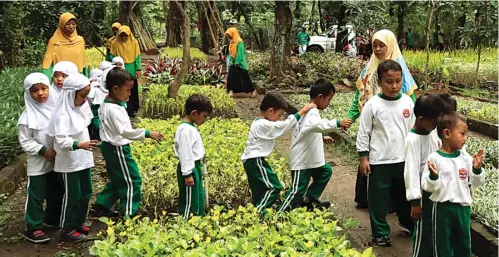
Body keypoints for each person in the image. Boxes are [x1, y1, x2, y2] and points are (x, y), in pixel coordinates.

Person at [347, 29, 418, 209]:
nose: (378, 49)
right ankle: (368, 199)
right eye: (375, 46)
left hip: (395, 128)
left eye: (382, 45)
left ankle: (393, 204)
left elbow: (412, 101)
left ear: (391, 45)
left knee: (393, 166)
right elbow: (359, 97)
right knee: (371, 161)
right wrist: (350, 117)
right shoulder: (369, 68)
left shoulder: (398, 70)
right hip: (373, 122)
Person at [90, 67, 163, 218]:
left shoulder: (108, 104)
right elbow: (125, 131)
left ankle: (101, 205)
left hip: (110, 147)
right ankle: (129, 215)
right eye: (127, 90)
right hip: (118, 149)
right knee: (132, 181)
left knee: (118, 179)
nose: (130, 94)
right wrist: (148, 133)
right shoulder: (113, 109)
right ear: (115, 89)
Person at [356, 60, 415, 246]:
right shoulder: (372, 105)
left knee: (404, 197)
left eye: (398, 81)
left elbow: (414, 130)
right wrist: (363, 158)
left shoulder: (407, 102)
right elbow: (364, 132)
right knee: (378, 199)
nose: (394, 85)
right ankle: (380, 232)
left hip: (404, 159)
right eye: (389, 82)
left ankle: (408, 223)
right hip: (379, 161)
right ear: (379, 83)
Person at [279, 79, 352, 212]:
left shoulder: (310, 110)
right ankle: (279, 215)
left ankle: (309, 200)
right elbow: (315, 125)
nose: (328, 104)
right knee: (296, 191)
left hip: (311, 159)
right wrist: (337, 123)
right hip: (302, 160)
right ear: (320, 97)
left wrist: (321, 138)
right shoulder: (312, 111)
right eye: (329, 100)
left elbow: (306, 129)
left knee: (325, 172)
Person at [422, 112, 485, 257]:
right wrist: (433, 176)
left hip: (463, 209)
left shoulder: (466, 158)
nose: (465, 138)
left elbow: (476, 183)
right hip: (442, 209)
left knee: (463, 245)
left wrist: (476, 169)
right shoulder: (435, 158)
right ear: (447, 133)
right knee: (443, 245)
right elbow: (428, 186)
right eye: (462, 134)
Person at [241, 92, 316, 214]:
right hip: (256, 160)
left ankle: (258, 211)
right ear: (271, 111)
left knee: (260, 190)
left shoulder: (258, 122)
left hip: (253, 161)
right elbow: (284, 126)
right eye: (279, 115)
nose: (280, 118)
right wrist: (302, 111)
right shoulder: (262, 124)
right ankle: (258, 214)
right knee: (274, 187)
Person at [46, 74, 96, 242]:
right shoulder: (62, 114)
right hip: (69, 162)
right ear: (70, 94)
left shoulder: (79, 110)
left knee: (86, 191)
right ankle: (67, 228)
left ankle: (79, 222)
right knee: (72, 195)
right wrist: (78, 145)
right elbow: (61, 139)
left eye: (86, 95)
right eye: (82, 96)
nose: (84, 99)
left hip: (82, 159)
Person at [18, 73, 62, 243]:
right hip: (38, 162)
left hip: (56, 160)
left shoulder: (55, 111)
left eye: (44, 88)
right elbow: (25, 141)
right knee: (36, 194)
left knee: (56, 190)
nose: (41, 93)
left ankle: (52, 218)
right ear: (28, 94)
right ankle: (34, 226)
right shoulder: (26, 118)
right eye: (35, 90)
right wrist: (42, 150)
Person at [404, 93, 445, 257]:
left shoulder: (431, 133)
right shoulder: (413, 140)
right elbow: (411, 171)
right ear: (421, 119)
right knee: (423, 231)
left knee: (434, 228)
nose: (436, 125)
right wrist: (414, 201)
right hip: (422, 195)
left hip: (435, 190)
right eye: (434, 122)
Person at [174, 94, 213, 219]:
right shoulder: (186, 130)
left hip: (194, 167)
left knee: (197, 196)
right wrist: (187, 174)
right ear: (195, 113)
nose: (205, 119)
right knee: (190, 199)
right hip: (189, 168)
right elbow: (185, 153)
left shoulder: (189, 128)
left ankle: (197, 219)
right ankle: (187, 221)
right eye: (204, 116)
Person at [42, 13, 88, 79]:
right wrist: (46, 81)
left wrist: (85, 79)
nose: (71, 27)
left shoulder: (80, 41)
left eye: (74, 24)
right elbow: (47, 64)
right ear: (62, 25)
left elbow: (83, 61)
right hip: (60, 79)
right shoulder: (54, 41)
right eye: (68, 24)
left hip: (77, 78)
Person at [109, 25, 141, 117]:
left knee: (132, 89)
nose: (124, 38)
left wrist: (138, 68)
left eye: (126, 36)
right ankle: (125, 109)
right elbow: (112, 56)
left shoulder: (134, 42)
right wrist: (117, 63)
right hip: (120, 67)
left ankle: (134, 108)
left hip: (131, 67)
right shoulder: (115, 43)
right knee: (122, 88)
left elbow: (138, 56)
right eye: (122, 36)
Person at [225, 27, 256, 98]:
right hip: (233, 62)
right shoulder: (232, 42)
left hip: (240, 63)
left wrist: (237, 62)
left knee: (245, 77)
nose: (228, 36)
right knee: (231, 76)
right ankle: (231, 91)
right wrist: (232, 62)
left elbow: (240, 53)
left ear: (233, 33)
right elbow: (232, 52)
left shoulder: (239, 42)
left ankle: (253, 90)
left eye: (229, 34)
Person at [87, 68, 105, 140]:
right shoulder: (94, 86)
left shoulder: (97, 85)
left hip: (96, 106)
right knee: (95, 121)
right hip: (94, 106)